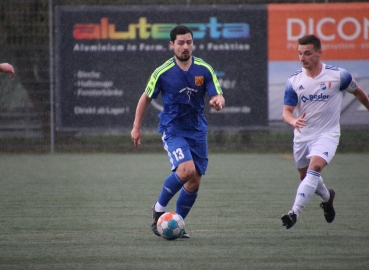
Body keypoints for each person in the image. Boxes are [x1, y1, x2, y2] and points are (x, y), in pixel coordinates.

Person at [131, 25, 225, 238]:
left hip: (197, 130)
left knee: (194, 181)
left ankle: (177, 224)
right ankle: (158, 210)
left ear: (193, 44)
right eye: (181, 43)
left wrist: (218, 100)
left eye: (189, 42)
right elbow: (146, 97)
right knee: (186, 171)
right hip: (173, 129)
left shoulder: (204, 69)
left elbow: (217, 94)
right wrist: (136, 127)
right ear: (171, 44)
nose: (185, 47)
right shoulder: (162, 71)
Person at [281, 34, 369, 229]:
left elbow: (359, 93)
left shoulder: (338, 76)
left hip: (327, 134)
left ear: (319, 53)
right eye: (299, 53)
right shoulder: (294, 80)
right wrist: (294, 121)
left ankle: (294, 212)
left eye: (307, 53)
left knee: (316, 169)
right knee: (307, 178)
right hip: (303, 136)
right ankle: (328, 198)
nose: (302, 58)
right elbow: (286, 112)